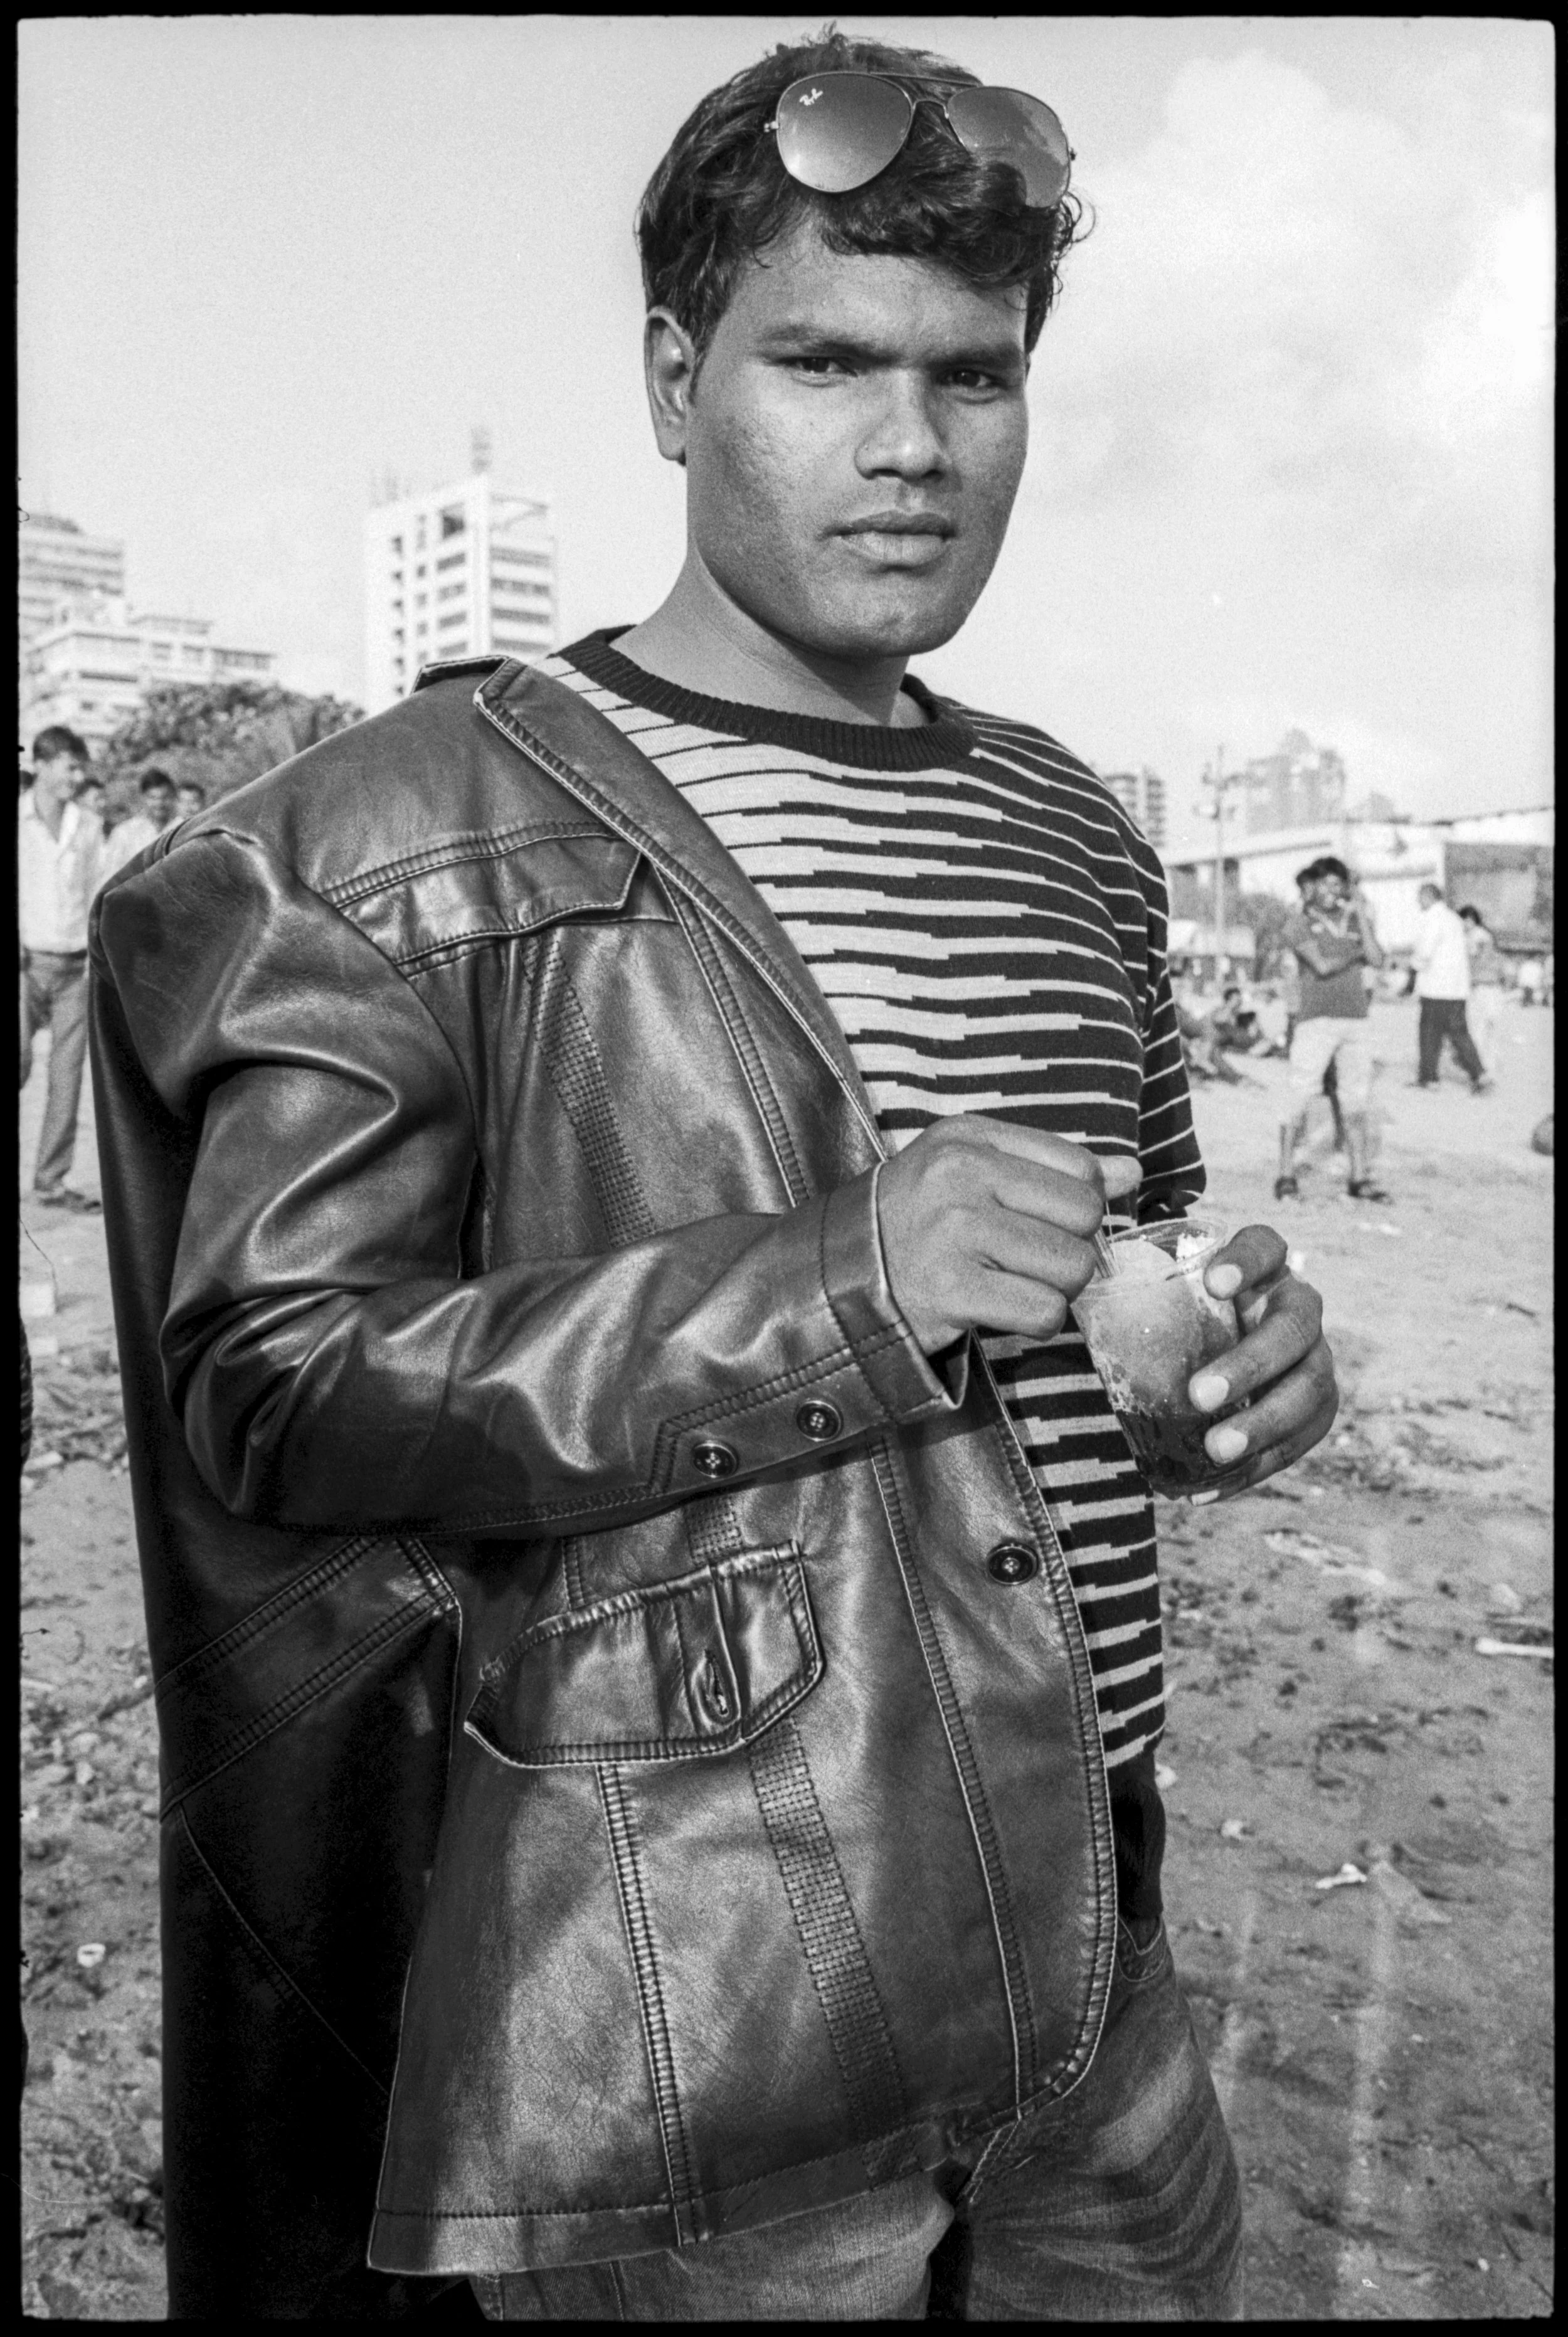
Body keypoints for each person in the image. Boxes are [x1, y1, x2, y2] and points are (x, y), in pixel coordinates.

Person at [90, 31, 1339, 2322]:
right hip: (706, 1971)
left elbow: (1130, 1270)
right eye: (824, 359)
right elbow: (272, 1387)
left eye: (973, 375)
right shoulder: (396, 837)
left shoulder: (1070, 822)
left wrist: (1228, 1376)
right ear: (678, 383)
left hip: (1099, 1940)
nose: (908, 444)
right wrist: (842, 1274)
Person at [19, 724, 103, 1211]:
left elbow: (95, 894)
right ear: (43, 765)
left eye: (80, 768)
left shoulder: (87, 825)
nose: (76, 776)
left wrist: (95, 957)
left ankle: (51, 1180)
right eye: (69, 766)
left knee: (68, 1078)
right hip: (25, 962)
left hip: (74, 965)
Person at [1275, 857, 1387, 1201]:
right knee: (1299, 1095)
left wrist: (1361, 915)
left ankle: (1358, 1177)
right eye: (1324, 884)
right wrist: (1356, 957)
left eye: (1338, 885)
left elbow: (1378, 959)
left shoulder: (1355, 919)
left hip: (1356, 1019)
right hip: (1316, 1021)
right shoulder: (1299, 923)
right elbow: (1322, 967)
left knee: (1357, 1101)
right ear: (1313, 886)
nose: (1330, 892)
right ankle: (1285, 1174)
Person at [1411, 881, 1490, 1093]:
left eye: (1419, 897)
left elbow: (1425, 952)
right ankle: (1480, 1074)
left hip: (1436, 988)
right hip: (1457, 989)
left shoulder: (1432, 918)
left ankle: (1429, 1078)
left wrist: (1413, 966)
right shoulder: (1454, 918)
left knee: (1429, 1033)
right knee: (1459, 1033)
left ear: (1428, 897)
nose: (1418, 902)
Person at [100, 766, 179, 877]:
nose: (159, 804)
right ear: (143, 798)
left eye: (165, 797)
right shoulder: (125, 832)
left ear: (173, 797)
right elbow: (111, 874)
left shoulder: (183, 829)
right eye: (153, 798)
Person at [1457, 903, 1506, 1074]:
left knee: (1477, 1029)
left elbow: (1478, 960)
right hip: (1490, 987)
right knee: (1489, 1029)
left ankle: (1480, 1069)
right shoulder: (1483, 935)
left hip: (1481, 987)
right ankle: (1488, 1067)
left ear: (1469, 920)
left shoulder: (1477, 936)